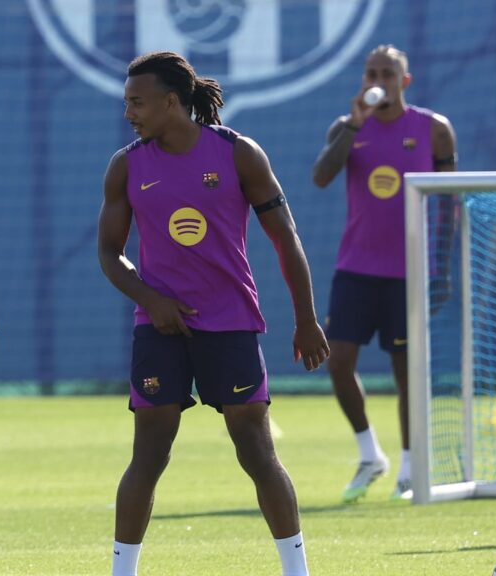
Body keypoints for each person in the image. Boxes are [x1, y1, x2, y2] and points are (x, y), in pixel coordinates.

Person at [97, 51, 330, 576]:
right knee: (149, 455)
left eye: (137, 102)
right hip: (160, 328)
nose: (128, 112)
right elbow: (109, 253)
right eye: (126, 102)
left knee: (257, 452)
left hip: (230, 323)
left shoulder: (239, 153)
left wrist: (306, 318)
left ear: (170, 102)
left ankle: (297, 571)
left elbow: (285, 238)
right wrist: (151, 300)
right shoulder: (126, 165)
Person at [311, 44, 457, 502]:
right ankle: (370, 453)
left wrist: (440, 268)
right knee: (338, 363)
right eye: (371, 73)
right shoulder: (347, 126)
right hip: (355, 267)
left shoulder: (434, 130)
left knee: (406, 370)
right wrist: (354, 125)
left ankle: (411, 469)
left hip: (409, 272)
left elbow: (450, 203)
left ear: (404, 80)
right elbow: (321, 176)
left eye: (387, 73)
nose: (378, 81)